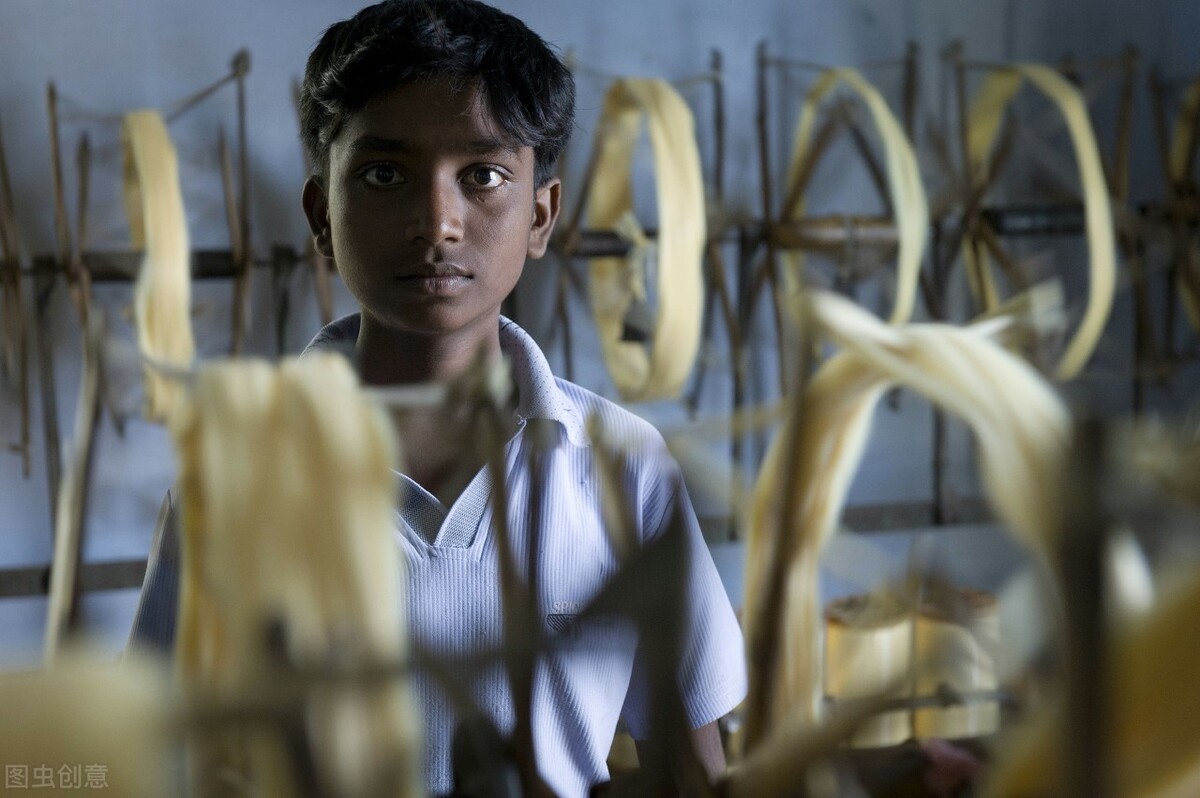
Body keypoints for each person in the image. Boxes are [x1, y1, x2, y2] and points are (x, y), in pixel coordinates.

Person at [128, 1, 747, 795]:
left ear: (541, 214)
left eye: (483, 176)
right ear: (324, 215)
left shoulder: (622, 469)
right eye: (384, 174)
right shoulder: (237, 484)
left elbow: (690, 770)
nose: (437, 222)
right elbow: (158, 760)